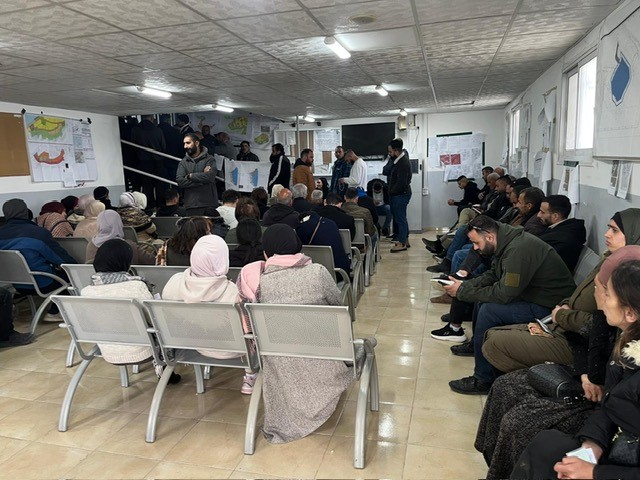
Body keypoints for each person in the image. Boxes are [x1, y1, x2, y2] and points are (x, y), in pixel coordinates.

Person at [510, 257, 640, 480]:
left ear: (630, 313)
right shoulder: (628, 343)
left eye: (607, 294)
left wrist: (595, 473)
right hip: (618, 446)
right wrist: (593, 444)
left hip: (625, 463)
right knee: (546, 445)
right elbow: (609, 405)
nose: (601, 299)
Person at [482, 208, 640, 377]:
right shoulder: (607, 260)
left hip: (578, 343)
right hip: (565, 326)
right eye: (608, 228)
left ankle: (526, 377)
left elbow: (603, 328)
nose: (607, 234)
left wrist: (563, 316)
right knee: (492, 333)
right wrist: (565, 305)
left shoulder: (628, 278)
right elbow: (579, 293)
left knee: (495, 341)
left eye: (614, 230)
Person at [434, 215, 576, 394]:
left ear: (489, 236)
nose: (475, 248)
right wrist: (466, 285)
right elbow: (494, 274)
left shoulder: (518, 250)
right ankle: (477, 344)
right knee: (482, 299)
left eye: (476, 243)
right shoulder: (506, 242)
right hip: (533, 296)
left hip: (550, 307)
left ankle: (483, 378)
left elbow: (505, 294)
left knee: (489, 311)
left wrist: (462, 292)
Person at [236, 224, 352, 442]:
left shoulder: (257, 283)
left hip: (279, 357)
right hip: (323, 354)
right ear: (298, 246)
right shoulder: (317, 273)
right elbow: (338, 307)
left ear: (266, 253)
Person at [161, 235, 255, 391]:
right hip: (234, 350)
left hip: (194, 346)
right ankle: (250, 377)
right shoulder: (234, 293)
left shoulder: (174, 284)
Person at [0, 198, 76, 267]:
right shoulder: (39, 233)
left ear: (5, 215)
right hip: (41, 276)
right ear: (26, 212)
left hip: (8, 278)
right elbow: (63, 260)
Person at [536, 195, 587, 272]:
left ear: (555, 216)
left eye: (542, 212)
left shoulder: (562, 239)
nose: (538, 215)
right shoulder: (562, 230)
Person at [86, 210, 155, 265]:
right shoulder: (128, 246)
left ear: (99, 225)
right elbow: (152, 261)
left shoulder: (91, 245)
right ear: (119, 224)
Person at [176, 133, 218, 216]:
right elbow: (180, 181)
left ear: (197, 143)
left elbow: (210, 177)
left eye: (188, 143)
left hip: (209, 203)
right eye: (184, 143)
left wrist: (190, 176)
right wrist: (202, 180)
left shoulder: (210, 159)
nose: (185, 146)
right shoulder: (183, 162)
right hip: (191, 204)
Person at [130, 114, 167, 209]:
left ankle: (149, 203)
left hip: (143, 160)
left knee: (146, 183)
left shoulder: (136, 130)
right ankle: (160, 203)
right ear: (151, 118)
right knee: (159, 183)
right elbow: (163, 145)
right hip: (158, 160)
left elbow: (133, 145)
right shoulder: (158, 130)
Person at [387, 139, 412, 253]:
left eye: (390, 151)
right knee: (402, 218)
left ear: (396, 151)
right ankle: (405, 239)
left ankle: (402, 243)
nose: (389, 154)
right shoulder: (399, 160)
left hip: (400, 194)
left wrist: (392, 192)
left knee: (400, 219)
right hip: (399, 194)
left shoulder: (403, 162)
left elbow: (401, 182)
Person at [158, 114, 183, 182]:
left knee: (163, 181)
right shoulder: (175, 131)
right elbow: (180, 146)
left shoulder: (156, 131)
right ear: (168, 120)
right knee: (175, 180)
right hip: (174, 159)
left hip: (161, 160)